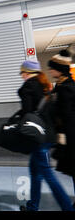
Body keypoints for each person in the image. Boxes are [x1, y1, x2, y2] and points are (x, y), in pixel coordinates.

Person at [17, 59, 73, 211]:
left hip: (38, 137)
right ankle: (32, 207)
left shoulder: (29, 86)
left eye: (22, 72)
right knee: (35, 171)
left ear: (27, 72)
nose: (21, 76)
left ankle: (68, 208)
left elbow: (27, 113)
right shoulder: (45, 85)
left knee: (47, 174)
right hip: (47, 134)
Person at [48, 50, 75, 208]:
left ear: (60, 69)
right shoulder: (63, 85)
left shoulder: (66, 88)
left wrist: (62, 135)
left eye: (52, 68)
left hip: (71, 134)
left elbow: (64, 114)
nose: (50, 71)